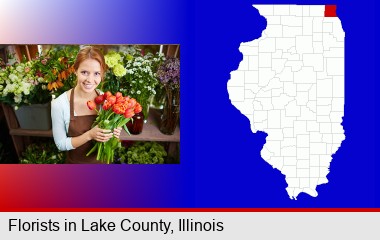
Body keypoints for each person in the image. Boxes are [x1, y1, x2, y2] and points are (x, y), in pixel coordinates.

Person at [51, 46, 122, 163]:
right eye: (84, 72)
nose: (90, 79)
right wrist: (89, 135)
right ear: (75, 71)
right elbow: (61, 144)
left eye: (96, 73)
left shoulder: (106, 98)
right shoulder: (60, 104)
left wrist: (114, 131)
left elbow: (109, 137)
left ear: (102, 74)